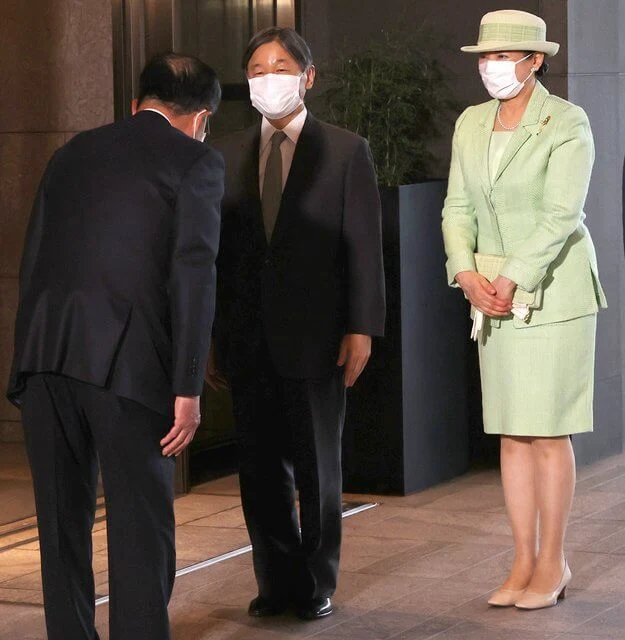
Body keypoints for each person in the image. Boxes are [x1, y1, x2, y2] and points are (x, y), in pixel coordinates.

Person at [7, 53, 224, 640]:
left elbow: (34, 261)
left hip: (46, 359)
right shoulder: (197, 161)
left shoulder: (70, 153)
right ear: (201, 117)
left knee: (60, 525)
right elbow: (193, 275)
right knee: (139, 524)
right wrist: (187, 387)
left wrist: (24, 362)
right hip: (129, 370)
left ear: (136, 104)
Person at [208, 27, 385, 621]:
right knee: (258, 470)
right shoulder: (224, 152)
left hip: (319, 333)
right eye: (256, 69)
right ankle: (275, 582)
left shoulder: (343, 149)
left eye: (280, 66)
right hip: (246, 335)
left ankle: (316, 584)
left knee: (317, 467)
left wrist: (362, 326)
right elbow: (215, 253)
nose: (267, 77)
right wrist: (211, 337)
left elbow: (364, 246)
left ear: (308, 76)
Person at [442, 10, 607, 610]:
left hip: (554, 292)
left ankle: (553, 558)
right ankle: (521, 556)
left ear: (535, 61)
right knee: (512, 432)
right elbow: (456, 205)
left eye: (504, 56)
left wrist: (511, 275)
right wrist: (465, 272)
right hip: (490, 294)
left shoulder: (567, 121)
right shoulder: (470, 122)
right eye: (484, 57)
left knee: (546, 432)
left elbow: (562, 215)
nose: (491, 67)